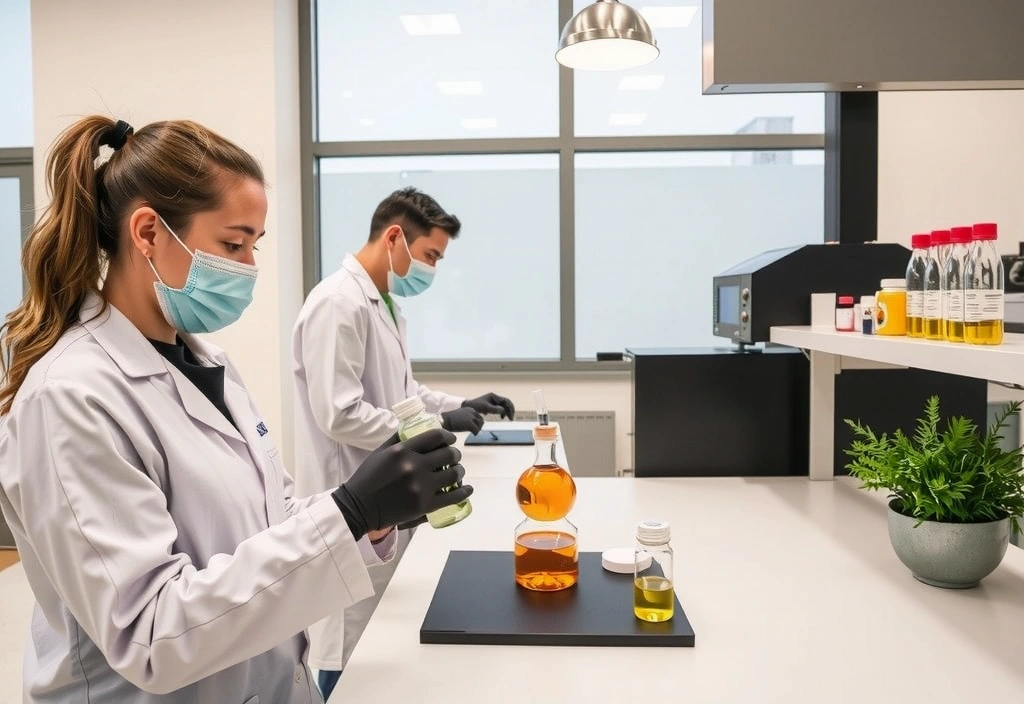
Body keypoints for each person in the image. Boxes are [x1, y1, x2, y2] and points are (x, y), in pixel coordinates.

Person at [0, 116, 472, 704]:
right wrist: (349, 511)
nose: (248, 266)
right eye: (232, 243)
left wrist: (378, 511)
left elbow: (269, 513)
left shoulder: (207, 363)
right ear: (147, 232)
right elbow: (148, 632)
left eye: (254, 245)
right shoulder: (69, 397)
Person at [292, 187, 514, 695]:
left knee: (379, 647)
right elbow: (340, 413)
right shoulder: (337, 303)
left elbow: (405, 397)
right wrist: (432, 429)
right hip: (348, 499)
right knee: (346, 652)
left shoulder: (384, 305)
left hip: (385, 509)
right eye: (431, 255)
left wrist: (460, 407)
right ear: (395, 237)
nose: (432, 269)